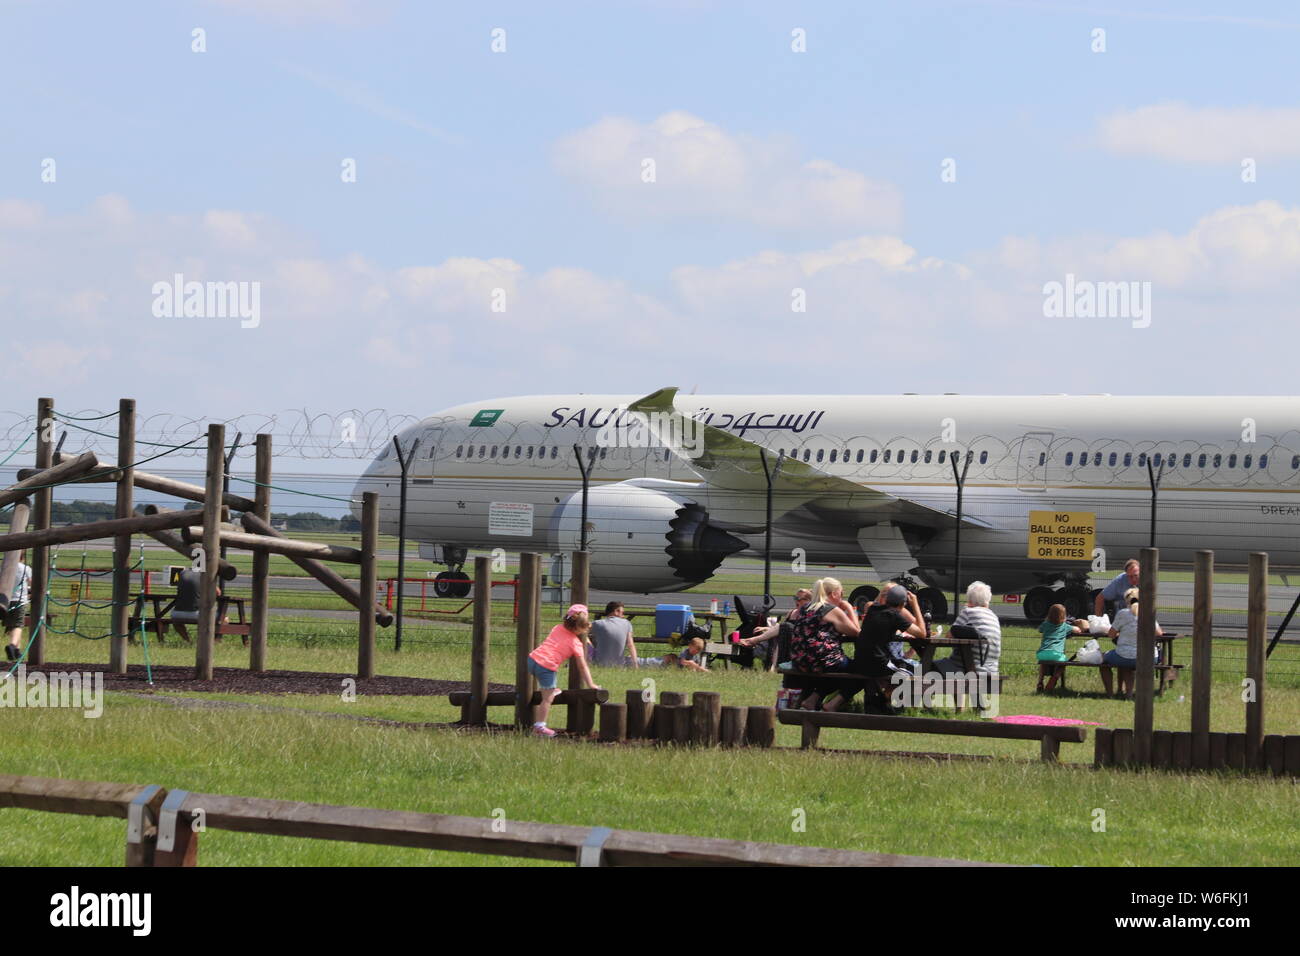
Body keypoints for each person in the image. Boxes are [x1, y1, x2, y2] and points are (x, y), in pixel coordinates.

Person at [831, 584, 927, 712]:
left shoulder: (873, 609)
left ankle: (832, 704)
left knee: (864, 676)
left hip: (860, 661)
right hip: (878, 663)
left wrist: (886, 594)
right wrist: (915, 605)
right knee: (913, 671)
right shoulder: (895, 616)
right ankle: (884, 700)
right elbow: (922, 633)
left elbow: (878, 603)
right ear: (903, 604)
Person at [527, 603, 601, 736]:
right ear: (581, 628)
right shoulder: (576, 643)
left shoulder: (557, 628)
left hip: (532, 660)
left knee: (547, 686)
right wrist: (591, 684)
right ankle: (539, 727)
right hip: (546, 666)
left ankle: (550, 689)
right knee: (547, 699)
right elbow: (582, 666)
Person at [787, 578, 859, 710]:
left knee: (835, 667)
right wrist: (849, 608)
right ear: (834, 594)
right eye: (841, 594)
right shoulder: (830, 609)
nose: (842, 598)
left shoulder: (805, 608)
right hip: (820, 661)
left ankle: (811, 700)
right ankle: (832, 704)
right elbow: (856, 632)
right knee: (861, 670)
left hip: (800, 661)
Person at [1101, 587, 1162, 698]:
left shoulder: (1122, 613)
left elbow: (1111, 635)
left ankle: (1110, 694)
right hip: (1149, 656)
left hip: (1125, 655)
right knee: (1128, 663)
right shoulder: (1148, 612)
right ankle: (1129, 693)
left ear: (1127, 600)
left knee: (1103, 661)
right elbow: (1159, 633)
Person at [933, 581, 1001, 676]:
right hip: (991, 671)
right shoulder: (994, 617)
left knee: (924, 666)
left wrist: (965, 611)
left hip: (965, 669)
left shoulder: (968, 612)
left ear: (969, 600)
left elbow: (948, 637)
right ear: (988, 600)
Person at [1036, 604, 1086, 693]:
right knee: (1063, 663)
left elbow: (1040, 629)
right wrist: (1077, 623)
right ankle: (1053, 679)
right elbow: (1078, 630)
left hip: (1042, 653)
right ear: (1064, 615)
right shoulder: (1064, 626)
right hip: (1057, 654)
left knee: (1043, 664)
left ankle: (1040, 681)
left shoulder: (1045, 624)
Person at [589, 601, 640, 667]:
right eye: (622, 613)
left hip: (599, 663)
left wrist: (589, 643)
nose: (623, 616)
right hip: (619, 664)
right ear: (616, 611)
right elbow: (630, 645)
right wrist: (635, 664)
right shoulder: (627, 623)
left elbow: (582, 629)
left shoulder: (597, 623)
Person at [3, 551, 32, 662]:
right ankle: (12, 645)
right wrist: (31, 594)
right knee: (18, 625)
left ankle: (17, 652)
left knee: (11, 626)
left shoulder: (4, 568)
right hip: (20, 600)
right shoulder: (25, 568)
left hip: (5, 600)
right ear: (22, 557)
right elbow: (32, 583)